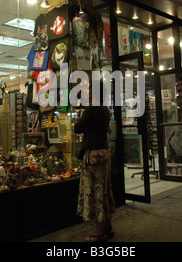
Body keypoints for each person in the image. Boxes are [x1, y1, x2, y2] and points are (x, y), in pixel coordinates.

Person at [75, 81, 115, 242]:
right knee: (104, 191)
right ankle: (108, 227)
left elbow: (78, 128)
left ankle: (99, 233)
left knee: (96, 193)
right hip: (104, 152)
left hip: (93, 155)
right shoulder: (104, 109)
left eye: (90, 89)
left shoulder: (92, 109)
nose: (87, 92)